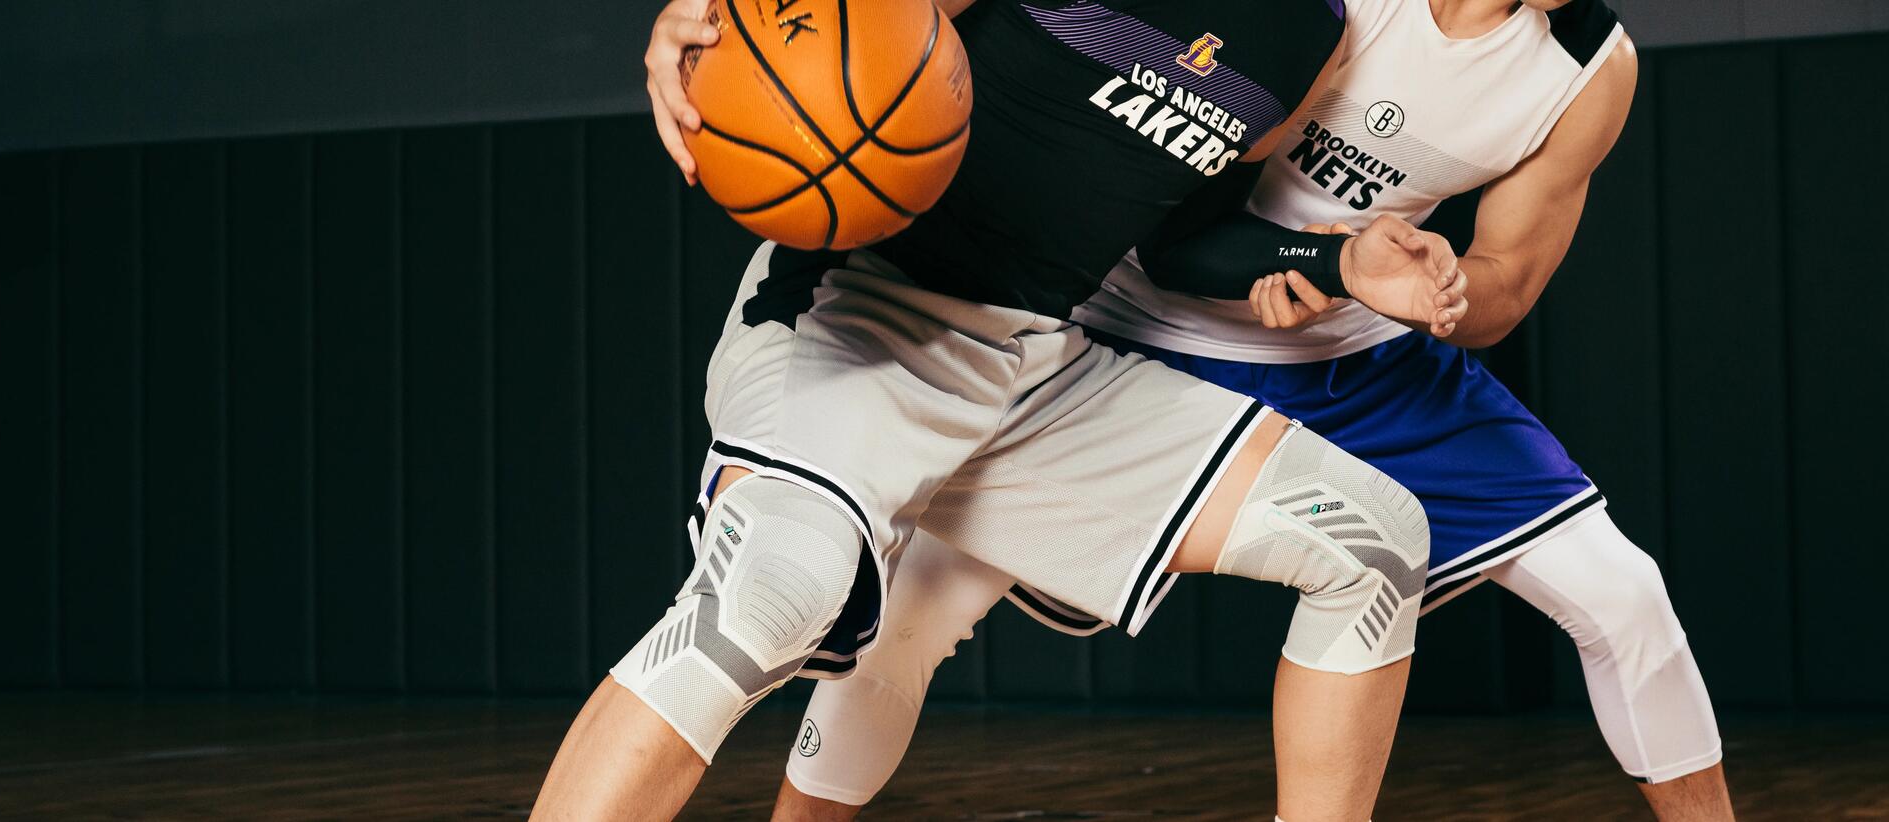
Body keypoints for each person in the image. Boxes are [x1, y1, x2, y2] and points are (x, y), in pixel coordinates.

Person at [773, 0, 1737, 819]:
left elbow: (1507, 283)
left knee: (1624, 595)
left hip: (1358, 354)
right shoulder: (1333, 8)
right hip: (1145, 328)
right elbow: (1175, 236)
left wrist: (1438, 287)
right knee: (917, 606)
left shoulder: (1592, 70)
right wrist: (1305, 258)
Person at [528, 0, 1473, 819]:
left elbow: (1180, 241)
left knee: (1371, 540)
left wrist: (1336, 260)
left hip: (1029, 360)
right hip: (857, 308)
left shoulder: (1309, 34)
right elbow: (817, 33)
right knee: (773, 595)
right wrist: (703, 36)